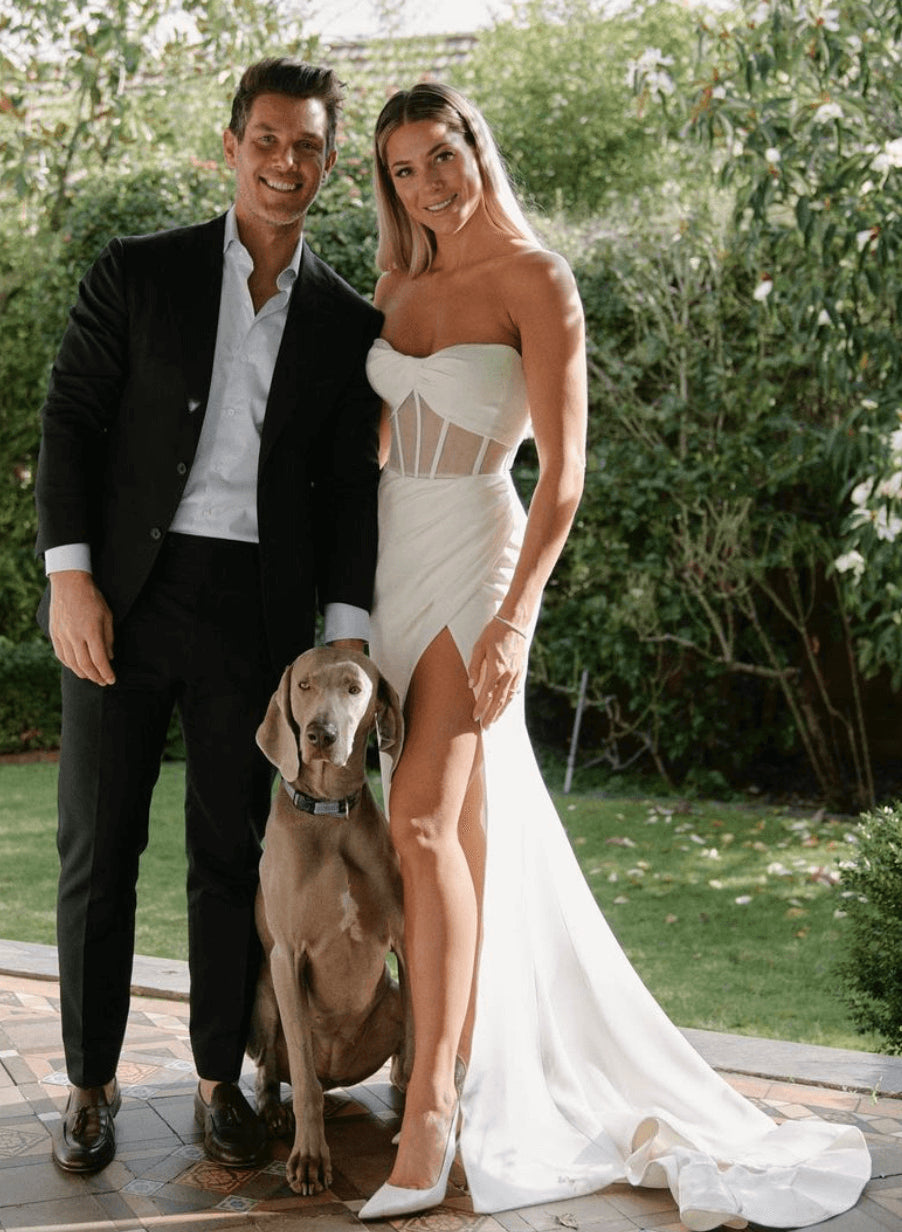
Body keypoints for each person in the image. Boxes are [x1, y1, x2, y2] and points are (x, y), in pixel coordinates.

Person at [359, 82, 871, 1228]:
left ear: (475, 148)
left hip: (475, 559)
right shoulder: (394, 286)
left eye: (440, 155)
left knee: (421, 821)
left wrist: (515, 619)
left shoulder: (536, 280)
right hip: (390, 558)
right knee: (453, 838)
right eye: (402, 168)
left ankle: (428, 1116)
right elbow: (371, 446)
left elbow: (564, 473)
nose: (427, 183)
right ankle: (463, 1064)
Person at [34, 58, 381, 1176]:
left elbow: (349, 490)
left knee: (231, 854)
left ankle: (218, 1077)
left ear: (328, 162)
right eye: (267, 140)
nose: (286, 163)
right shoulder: (137, 271)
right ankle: (88, 1084)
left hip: (258, 619)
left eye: (308, 146)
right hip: (125, 599)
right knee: (100, 845)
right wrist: (70, 577)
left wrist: (341, 635)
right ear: (230, 146)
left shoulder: (347, 321)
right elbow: (71, 420)